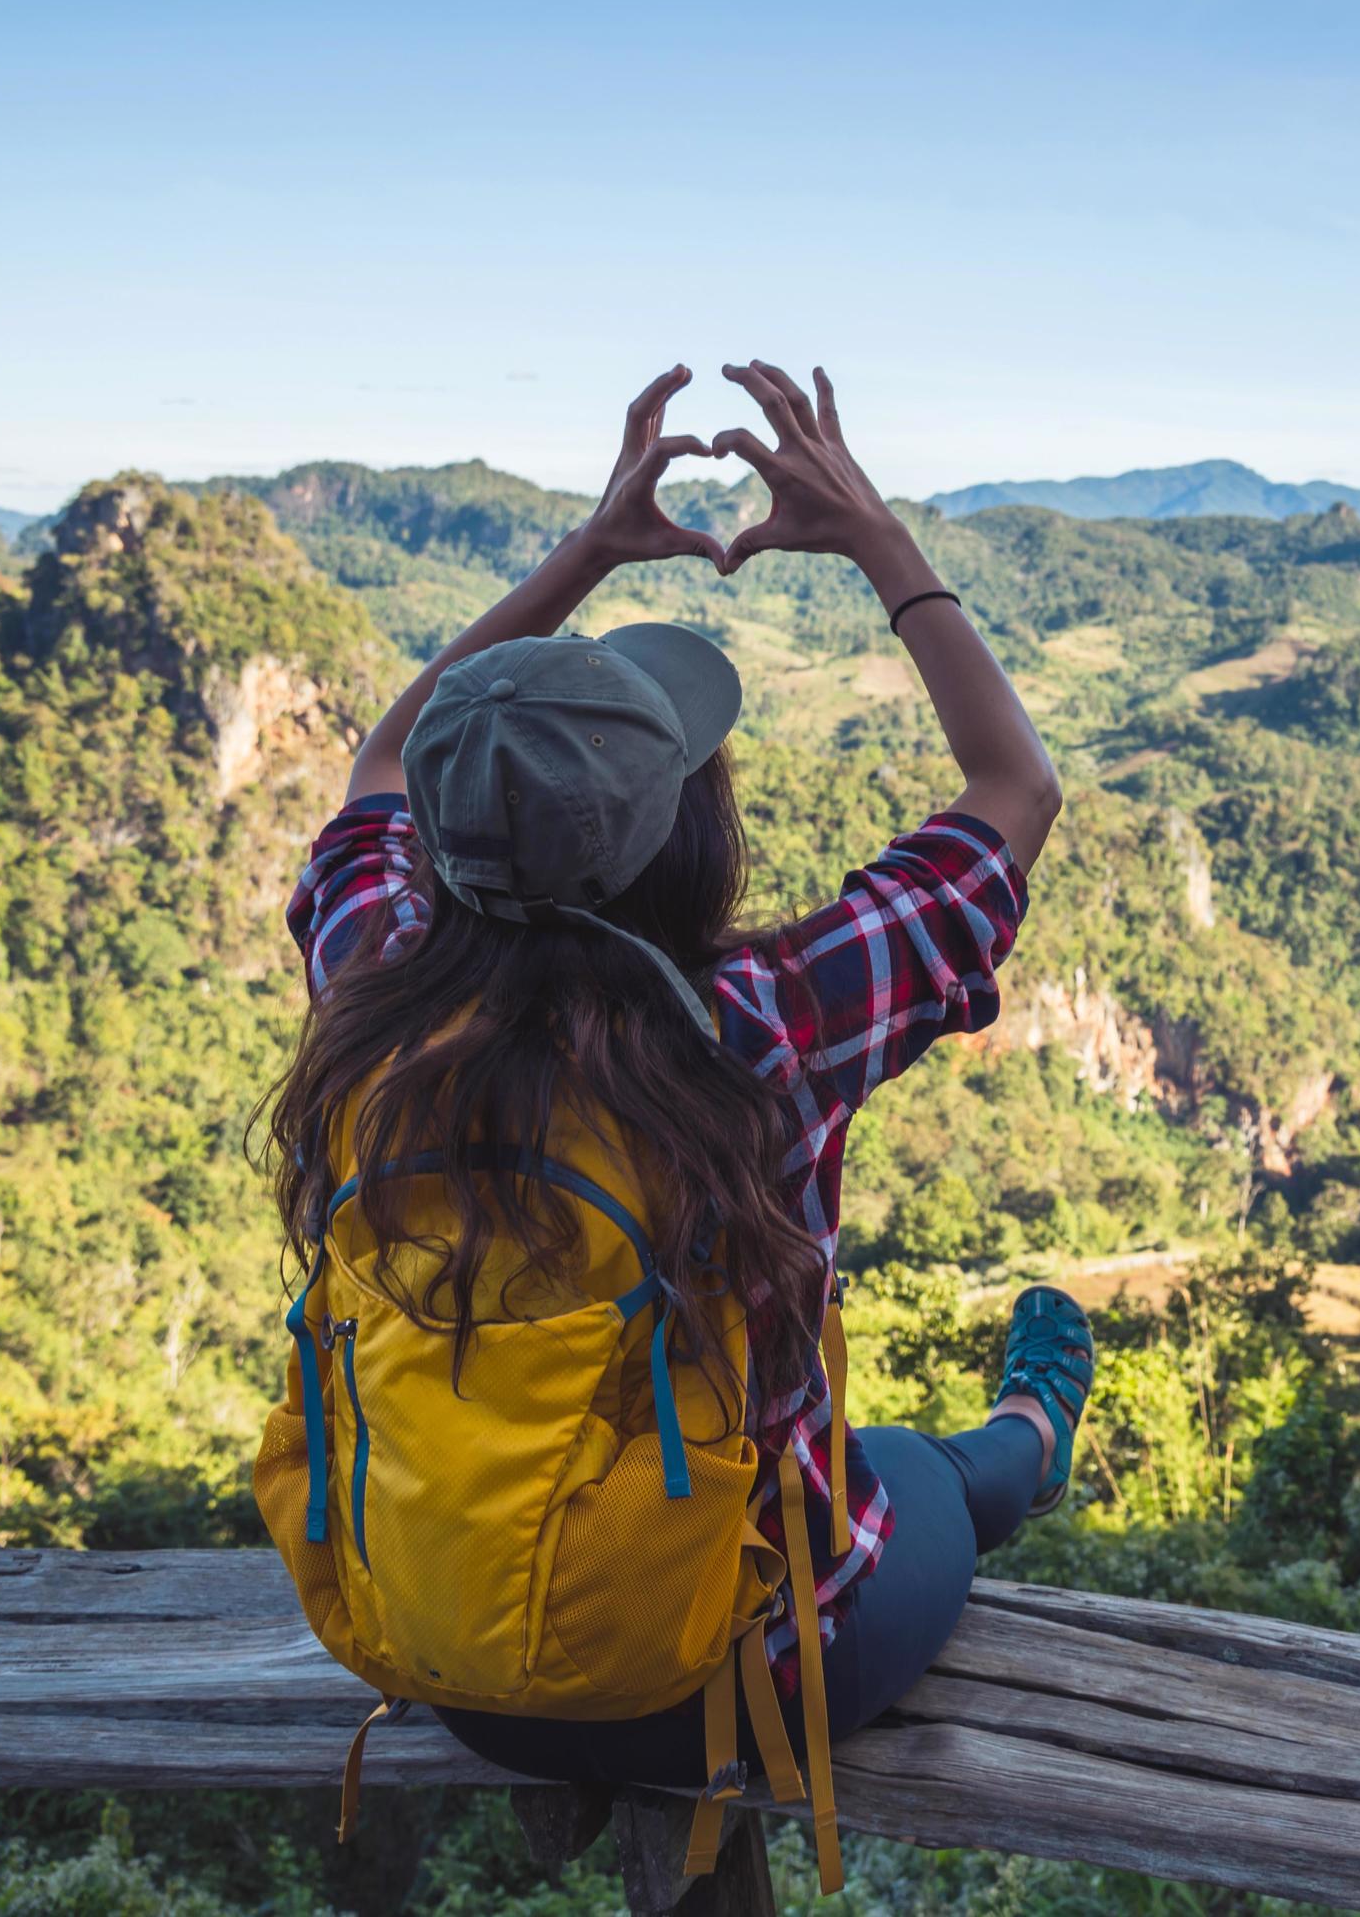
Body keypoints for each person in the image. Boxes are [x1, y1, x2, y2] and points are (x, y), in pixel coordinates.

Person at [256, 361, 1095, 1857]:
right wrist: (878, 540)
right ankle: (1033, 1430)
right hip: (737, 1668)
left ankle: (1005, 1445)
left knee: (875, 1472)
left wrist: (580, 551)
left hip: (443, 1657)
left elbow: (381, 762)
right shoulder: (756, 1029)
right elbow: (1012, 786)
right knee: (918, 1479)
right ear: (684, 837)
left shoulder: (371, 997)